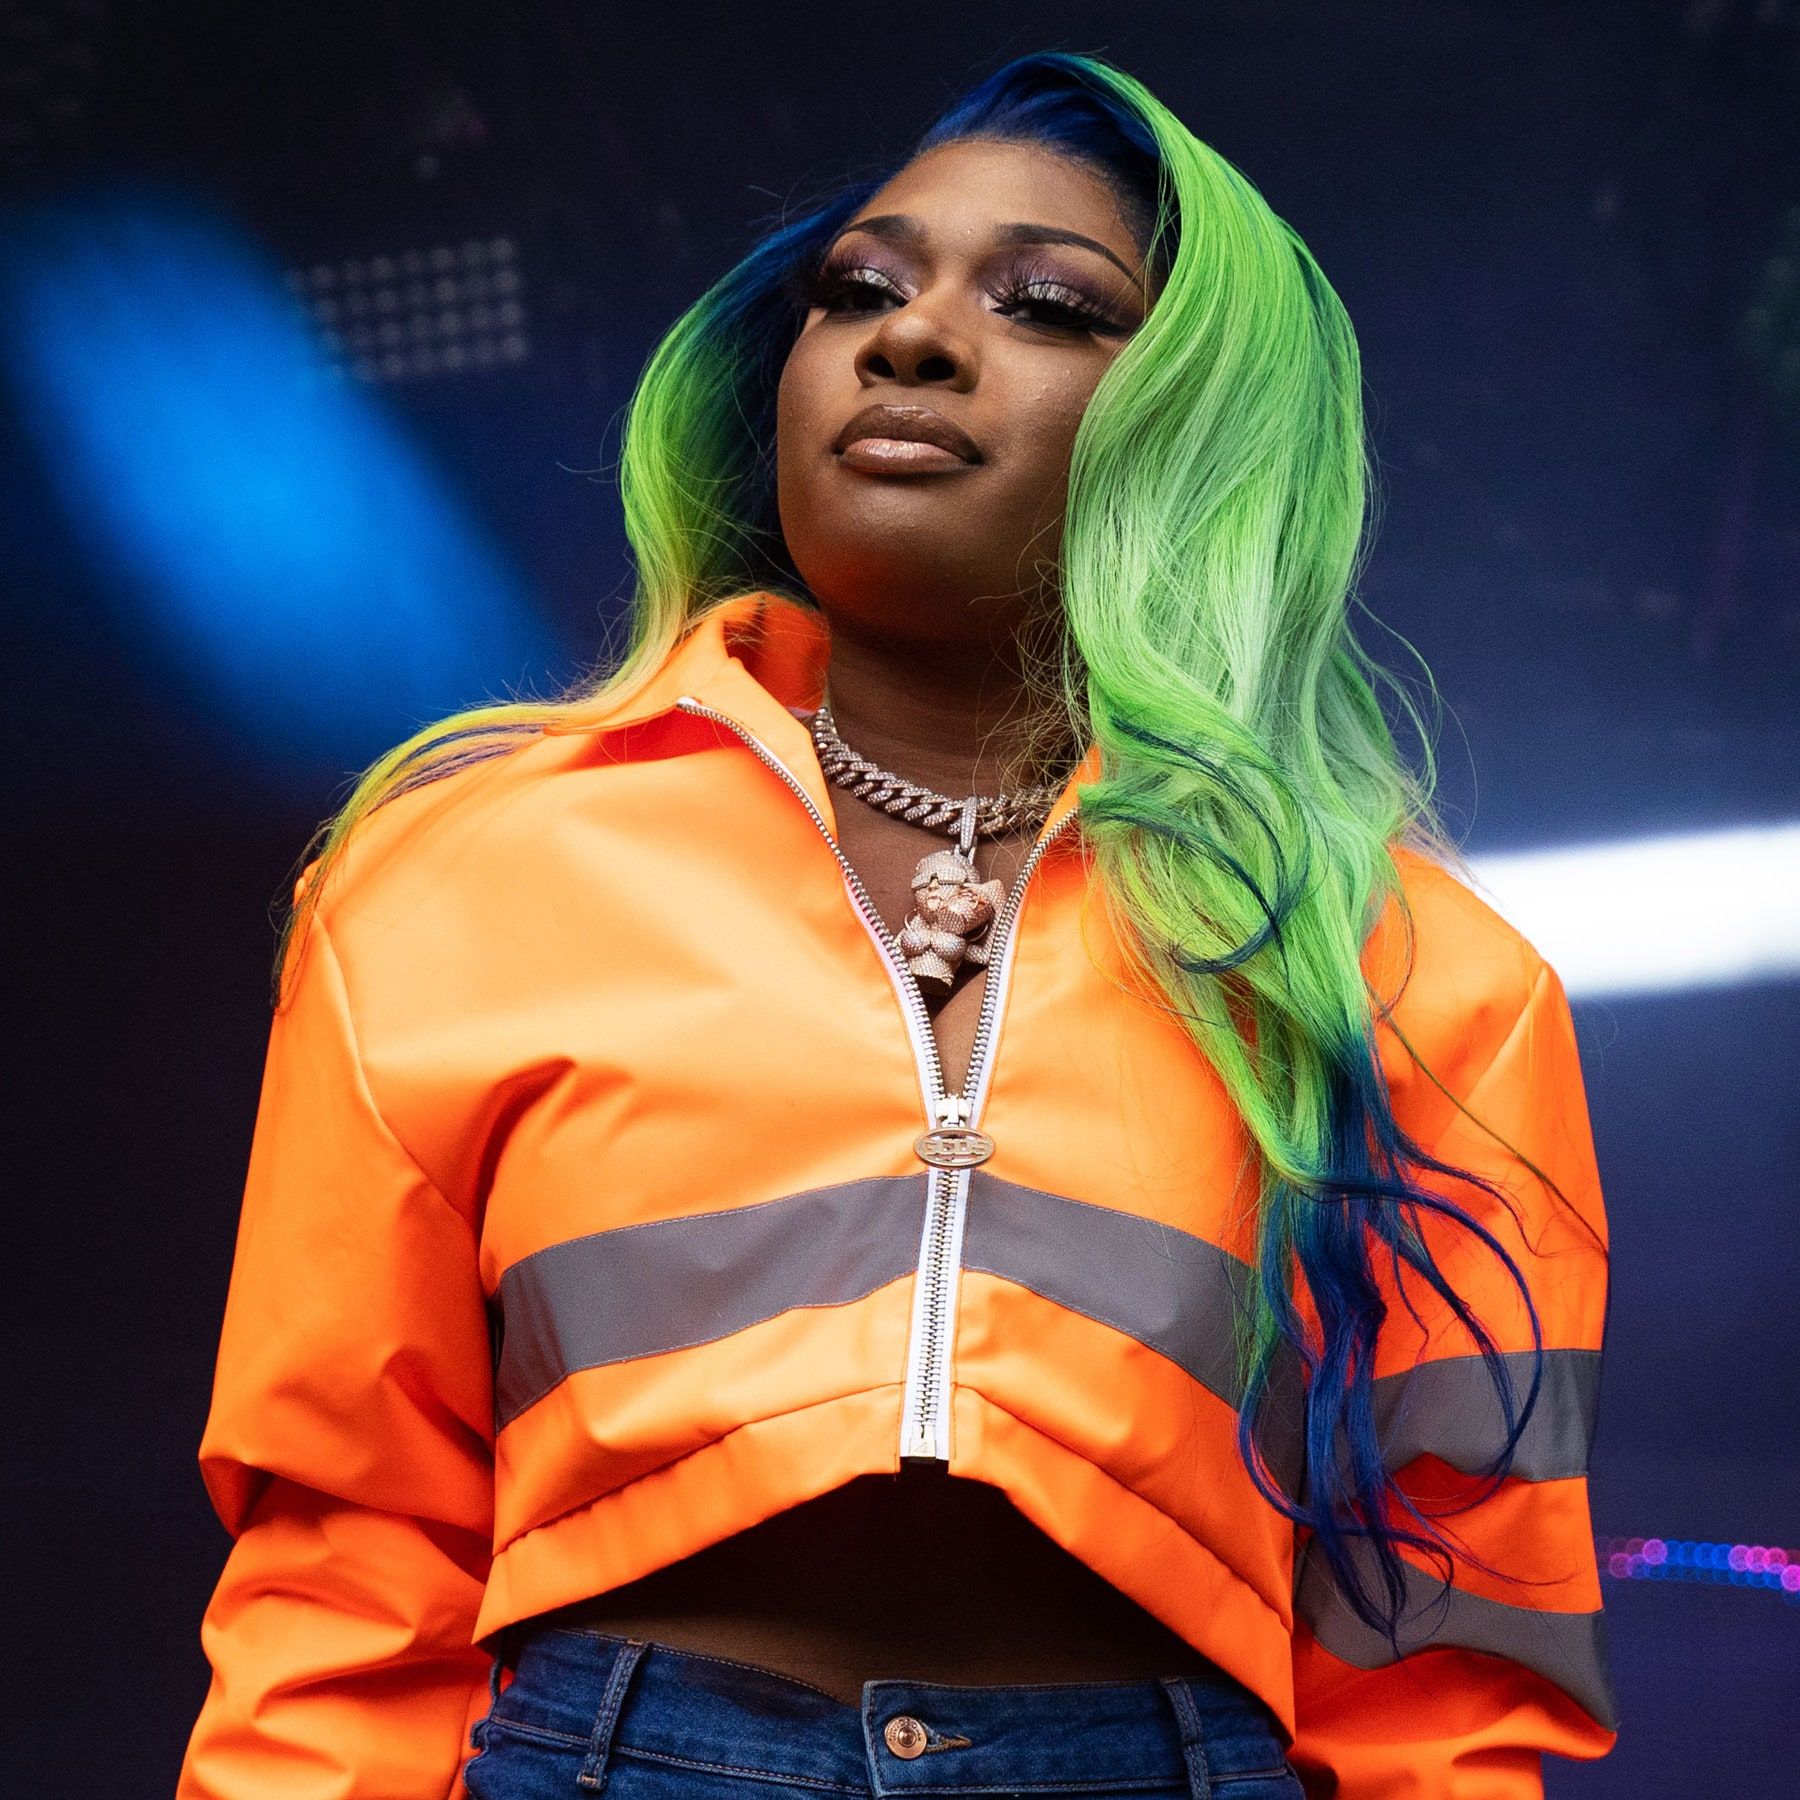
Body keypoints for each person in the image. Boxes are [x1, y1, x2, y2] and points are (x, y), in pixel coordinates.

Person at [176, 49, 1617, 1800]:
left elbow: (1452, 1663)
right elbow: (343, 1564)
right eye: (859, 288)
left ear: (1205, 426)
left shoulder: (1413, 974)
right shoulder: (462, 874)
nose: (911, 337)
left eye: (1049, 305)